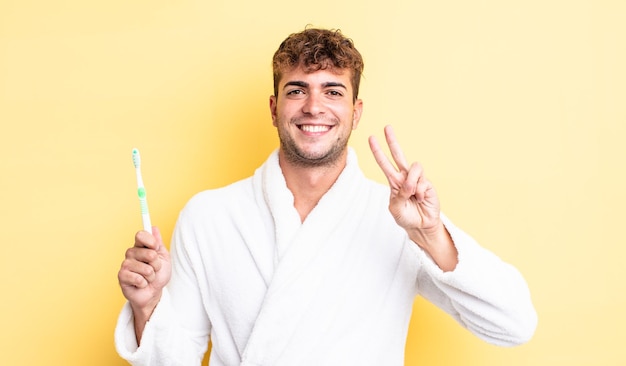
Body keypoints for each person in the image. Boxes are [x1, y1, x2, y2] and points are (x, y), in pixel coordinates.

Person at [115, 27, 537, 366]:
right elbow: (170, 361)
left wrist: (430, 235)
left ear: (355, 112)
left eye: (333, 91)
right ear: (273, 107)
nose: (314, 106)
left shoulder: (399, 220)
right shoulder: (209, 216)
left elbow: (514, 324)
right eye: (297, 90)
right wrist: (147, 306)